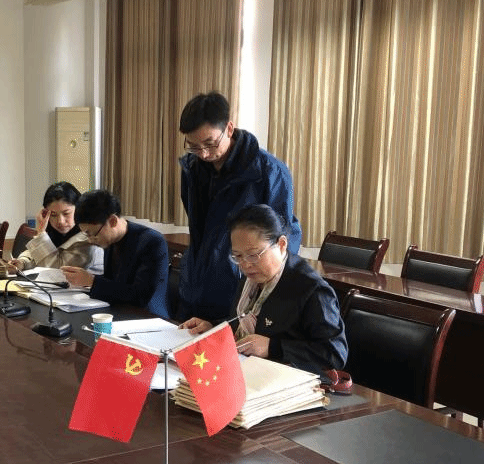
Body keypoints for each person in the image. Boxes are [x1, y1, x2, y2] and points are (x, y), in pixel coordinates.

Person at [177, 91, 303, 323]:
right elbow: (199, 230)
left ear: (229, 128)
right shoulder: (192, 169)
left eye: (210, 143)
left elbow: (281, 239)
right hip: (197, 284)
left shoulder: (268, 172)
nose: (203, 154)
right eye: (193, 146)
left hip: (241, 289)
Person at [180, 204, 346, 375]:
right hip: (246, 370)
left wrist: (272, 347)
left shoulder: (312, 290)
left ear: (281, 244)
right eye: (238, 256)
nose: (245, 264)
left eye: (253, 255)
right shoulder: (253, 277)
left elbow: (335, 353)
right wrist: (213, 328)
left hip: (284, 379)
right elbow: (242, 321)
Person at [61, 189, 170, 319]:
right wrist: (83, 280)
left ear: (112, 221)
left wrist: (92, 281)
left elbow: (140, 296)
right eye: (87, 234)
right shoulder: (110, 239)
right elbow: (114, 283)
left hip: (148, 318)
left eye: (92, 234)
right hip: (117, 311)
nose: (90, 240)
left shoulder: (152, 242)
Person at [9, 181, 103, 274]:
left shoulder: (89, 238)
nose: (60, 221)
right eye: (53, 214)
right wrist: (22, 262)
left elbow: (55, 270)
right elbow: (37, 253)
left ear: (79, 209)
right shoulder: (56, 232)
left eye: (66, 213)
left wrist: (41, 233)